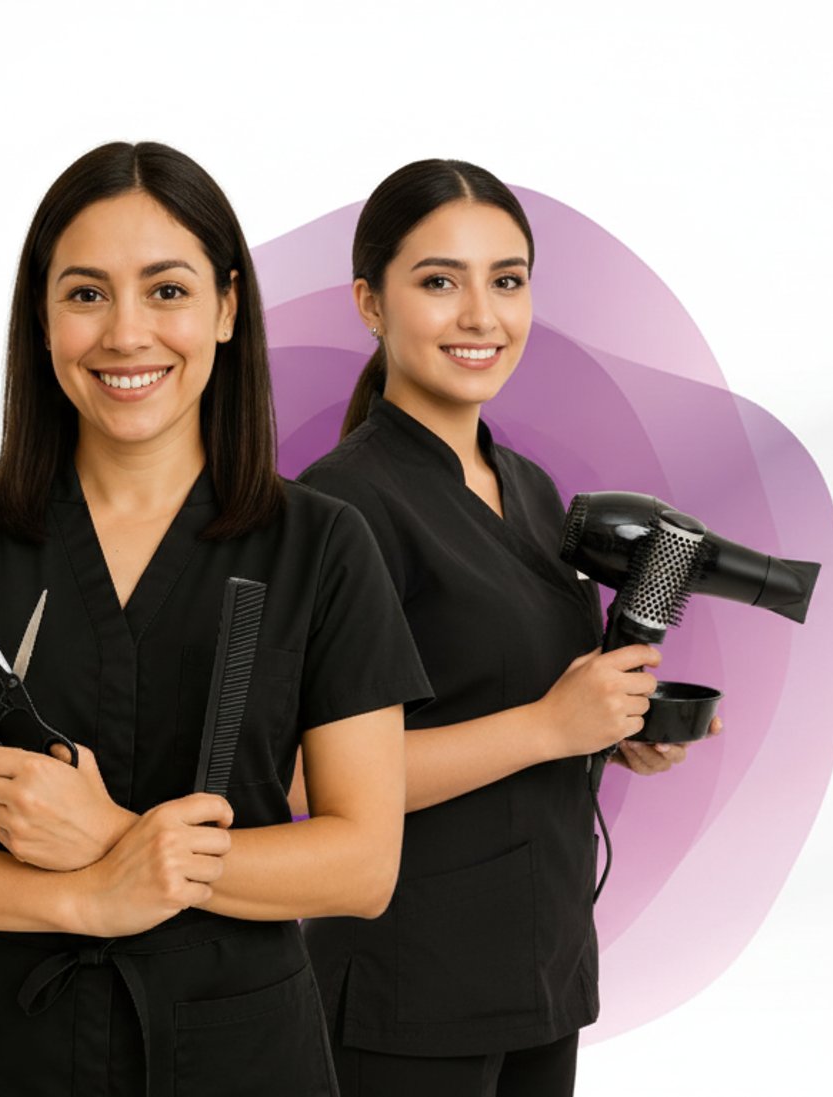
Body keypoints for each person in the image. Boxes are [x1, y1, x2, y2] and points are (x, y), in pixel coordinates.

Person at [0, 141, 427, 1096]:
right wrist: (80, 899)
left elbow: (362, 861)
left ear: (228, 307)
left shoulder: (321, 545)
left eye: (168, 291)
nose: (127, 333)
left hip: (233, 1049)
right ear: (42, 313)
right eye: (87, 293)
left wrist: (118, 838)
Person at [297, 159, 720, 1097]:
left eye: (508, 280)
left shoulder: (527, 490)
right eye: (439, 281)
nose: (481, 315)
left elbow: (509, 692)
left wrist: (610, 730)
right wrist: (547, 728)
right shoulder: (341, 507)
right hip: (408, 990)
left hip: (540, 967)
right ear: (371, 302)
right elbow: (306, 772)